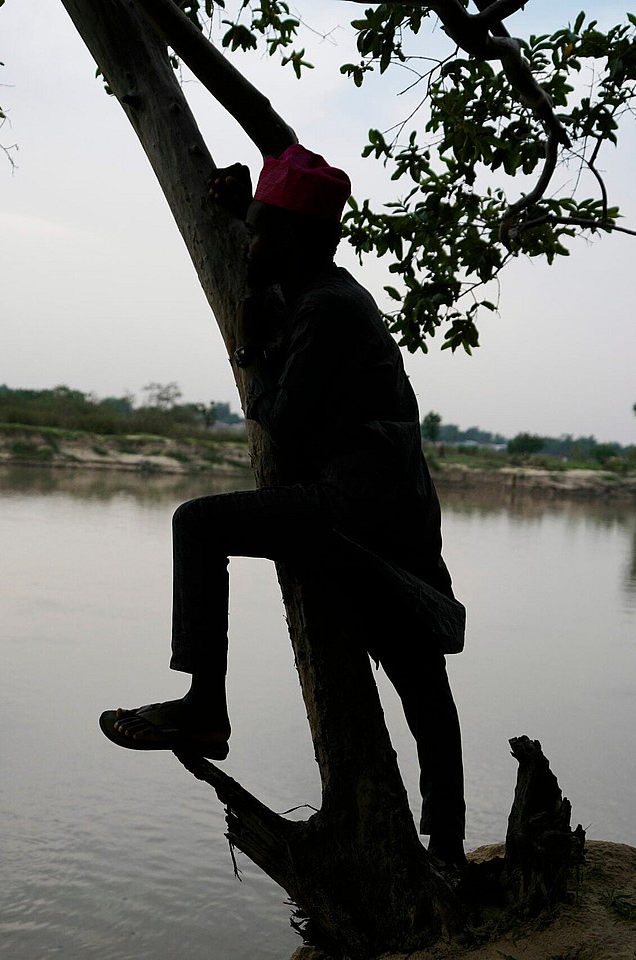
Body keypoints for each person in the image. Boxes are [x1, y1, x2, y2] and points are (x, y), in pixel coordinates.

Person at [99, 144, 467, 865]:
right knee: (421, 682)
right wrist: (242, 214)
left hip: (354, 510)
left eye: (264, 229)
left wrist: (251, 354)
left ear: (294, 241)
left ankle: (205, 708)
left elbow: (285, 418)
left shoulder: (327, 311)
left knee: (196, 524)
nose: (253, 242)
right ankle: (448, 850)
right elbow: (276, 263)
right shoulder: (327, 291)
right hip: (392, 509)